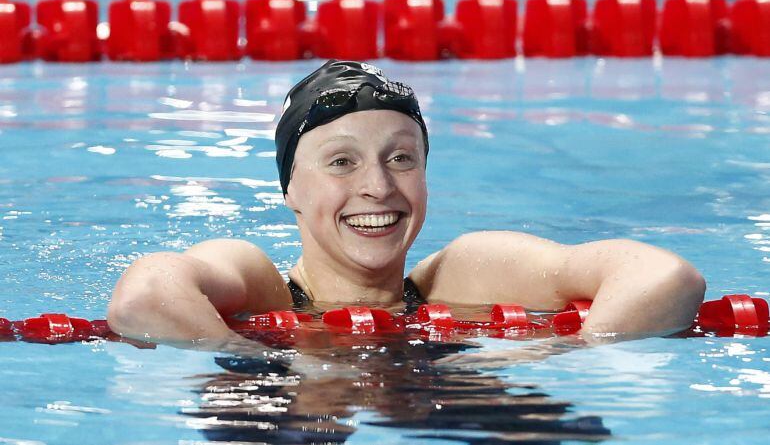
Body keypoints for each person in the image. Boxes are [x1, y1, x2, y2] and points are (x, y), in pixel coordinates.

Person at [107, 59, 706, 347]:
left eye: (401, 159)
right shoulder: (258, 284)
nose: (379, 187)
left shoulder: (467, 270)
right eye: (342, 162)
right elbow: (144, 298)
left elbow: (663, 277)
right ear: (290, 187)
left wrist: (565, 352)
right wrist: (272, 367)